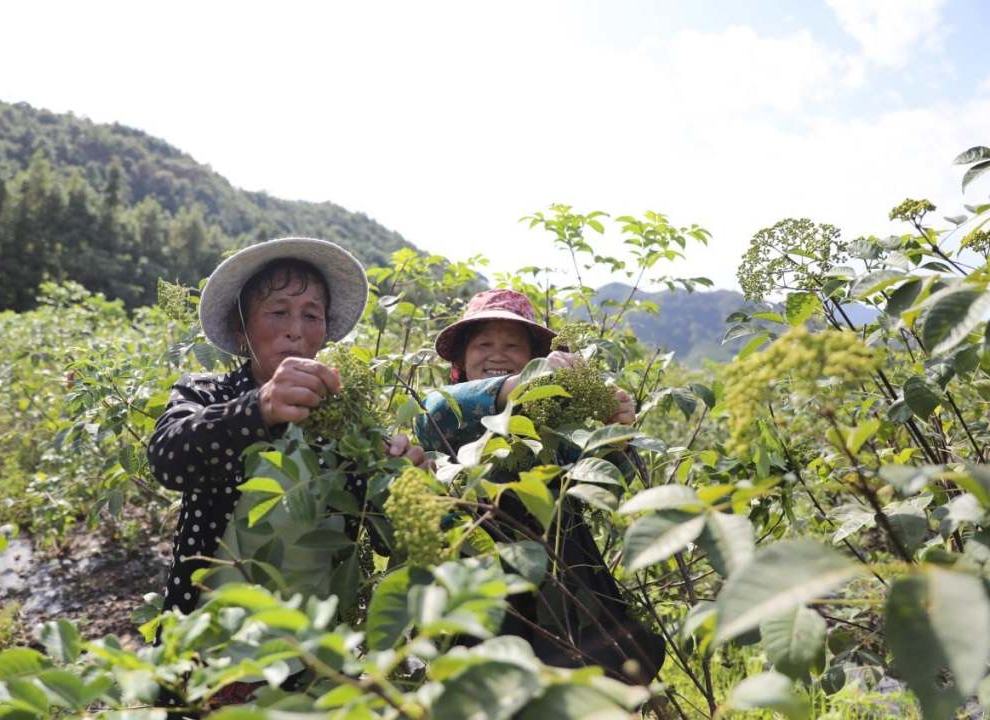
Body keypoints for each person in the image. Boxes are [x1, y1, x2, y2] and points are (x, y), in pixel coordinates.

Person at [147, 237, 426, 618]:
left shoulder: (345, 421)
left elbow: (382, 536)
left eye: (312, 316)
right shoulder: (209, 393)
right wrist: (257, 409)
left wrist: (402, 483)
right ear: (241, 331)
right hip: (208, 638)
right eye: (278, 312)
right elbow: (167, 459)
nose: (296, 329)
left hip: (313, 651)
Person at [415, 288, 665, 683]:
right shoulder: (451, 410)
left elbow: (606, 483)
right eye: (484, 344)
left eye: (512, 345)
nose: (497, 354)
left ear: (532, 357)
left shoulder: (556, 427)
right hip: (474, 588)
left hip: (563, 589)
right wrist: (520, 386)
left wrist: (617, 433)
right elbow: (432, 413)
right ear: (461, 361)